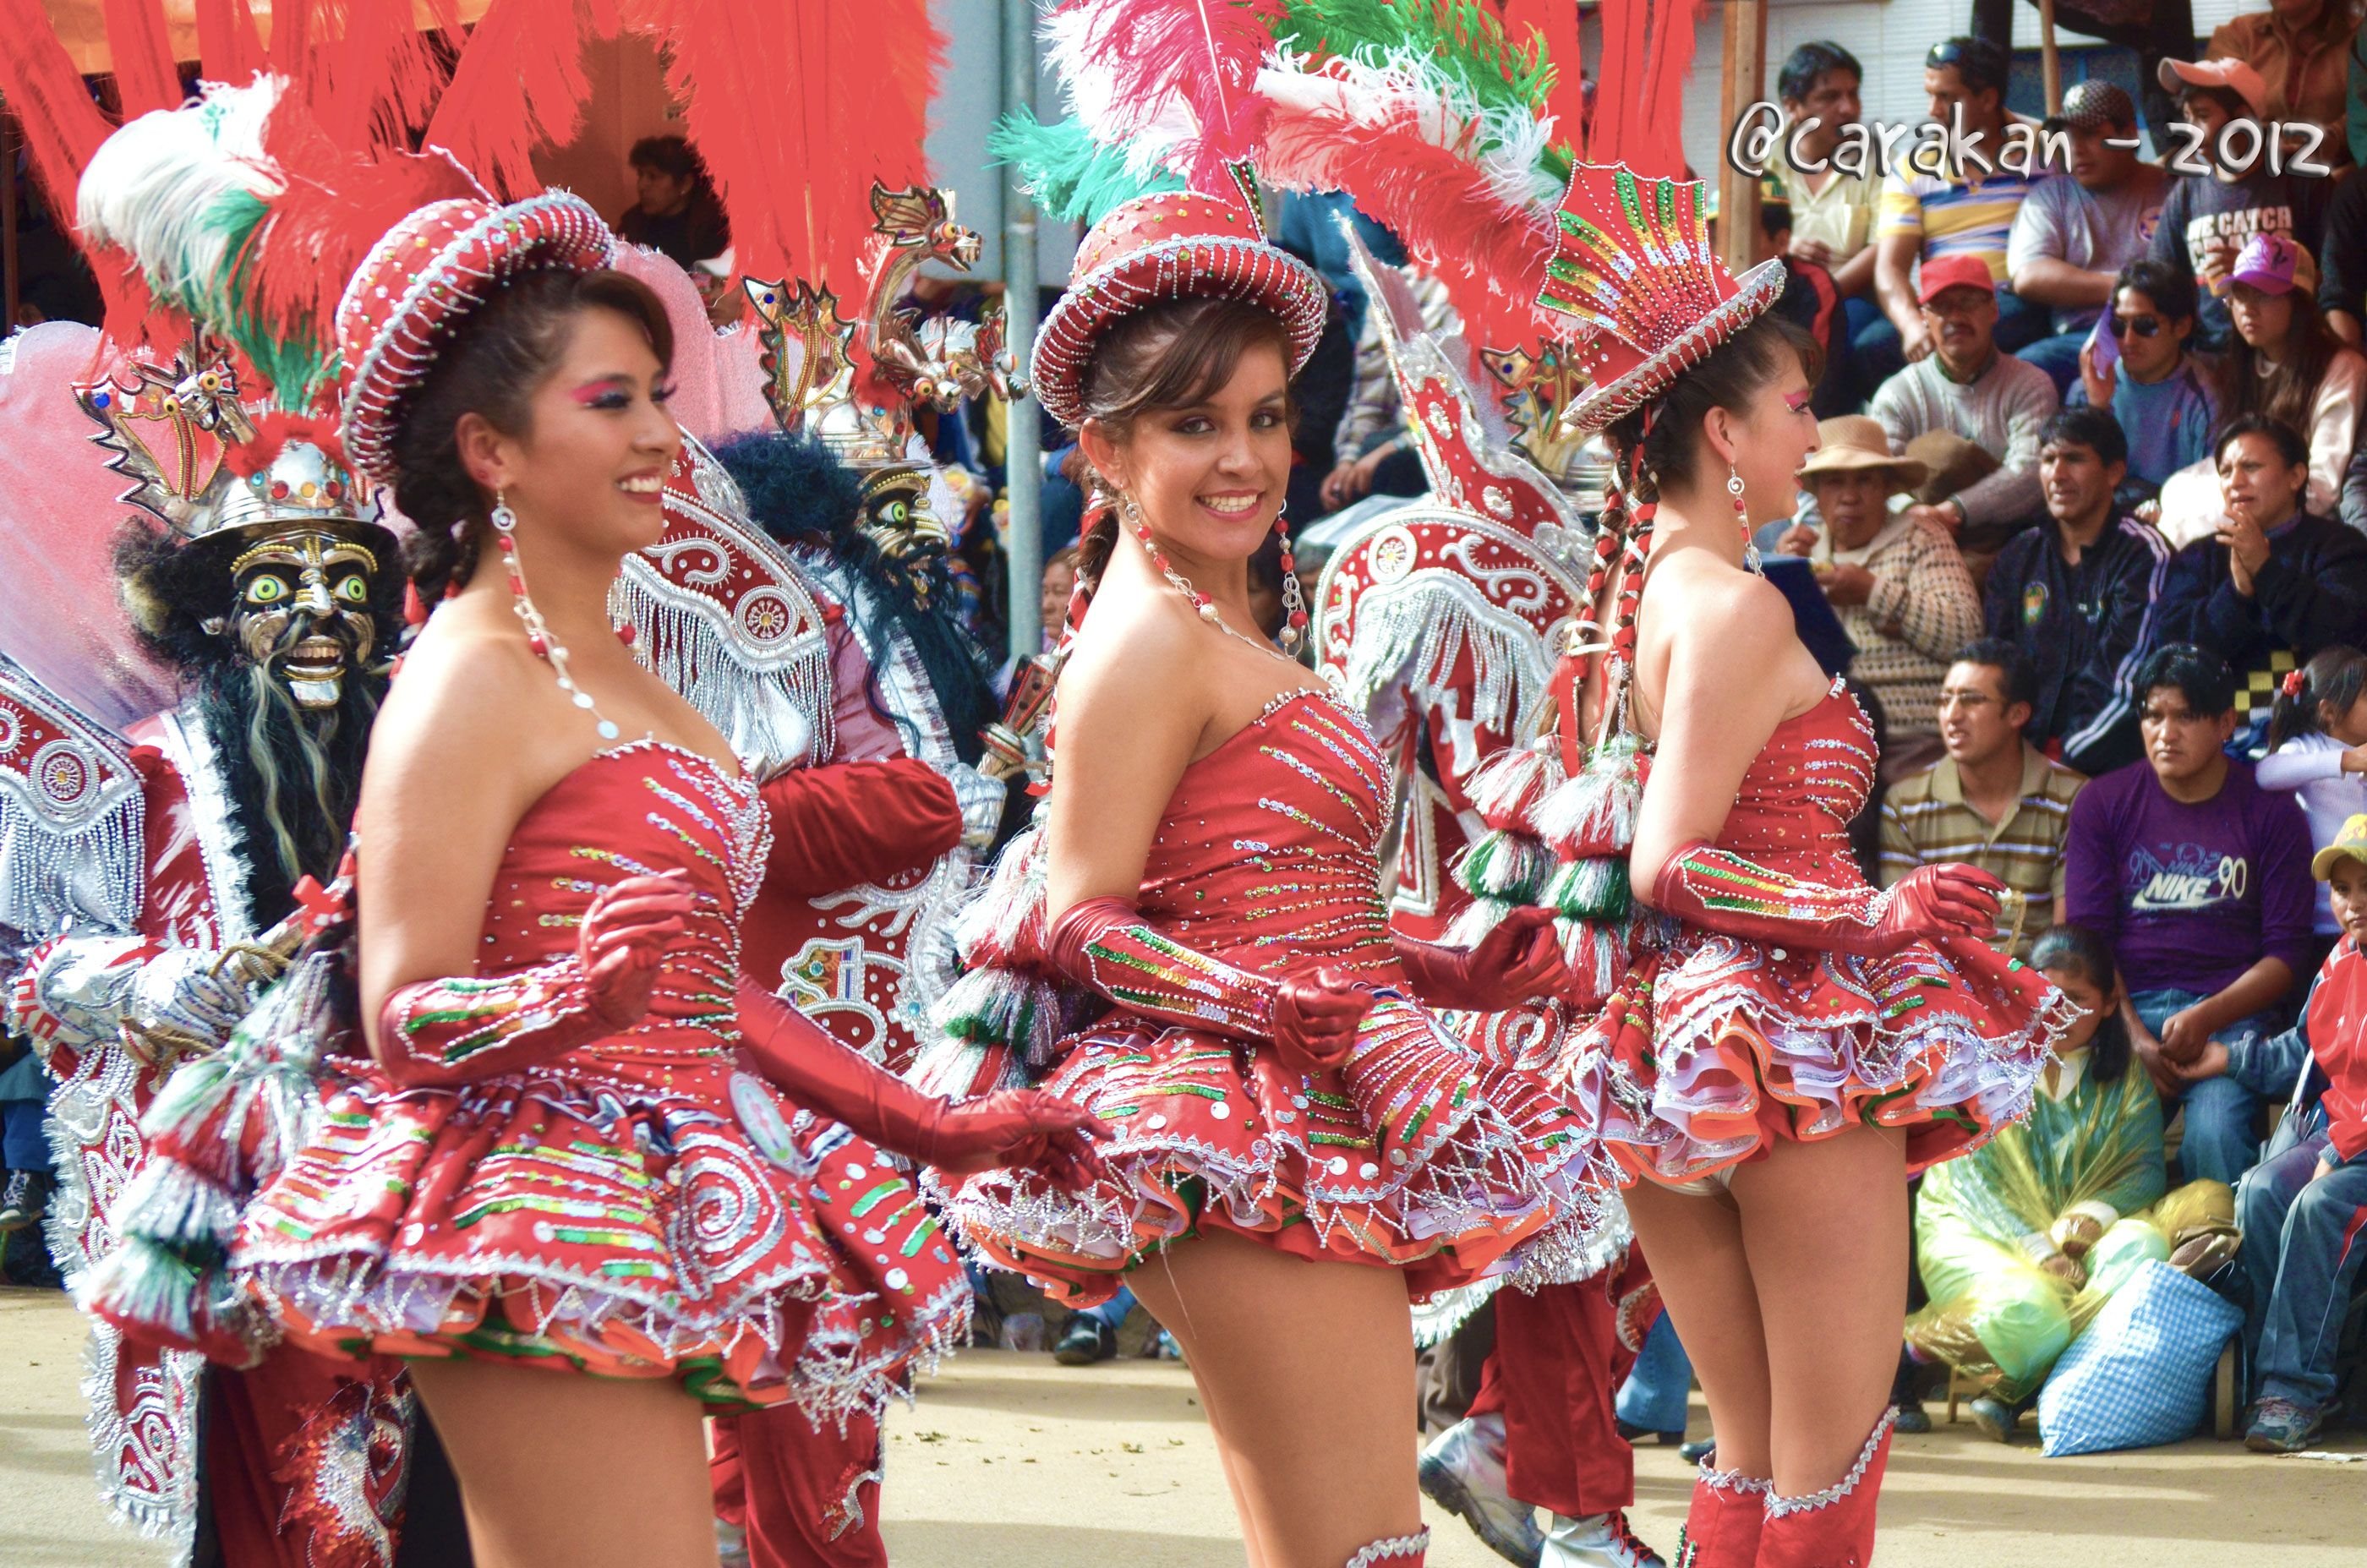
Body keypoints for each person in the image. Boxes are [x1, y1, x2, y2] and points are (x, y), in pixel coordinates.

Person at [90, 183, 1104, 1567]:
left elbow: (694, 994)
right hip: (526, 1202)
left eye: (659, 400)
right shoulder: (469, 680)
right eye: (612, 402)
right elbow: (404, 1016)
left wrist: (921, 1122)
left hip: (665, 1175)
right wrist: (572, 994)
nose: (659, 438)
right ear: (490, 449)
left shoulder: (627, 668)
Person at [928, 189, 1621, 1568]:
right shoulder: (1147, 647)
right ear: (1105, 451)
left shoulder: (1203, 621)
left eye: (1262, 418)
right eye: (1196, 425)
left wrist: (1442, 967)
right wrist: (1252, 1003)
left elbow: (1281, 898)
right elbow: (1082, 928)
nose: (1246, 459)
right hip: (1225, 1123)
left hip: (1304, 1096)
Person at [1520, 161, 2062, 1564]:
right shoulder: (1746, 608)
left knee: (1753, 1454)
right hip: (1786, 1033)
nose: (1810, 429)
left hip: (1674, 1046)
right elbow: (1668, 858)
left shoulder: (1648, 600)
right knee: (1829, 1466)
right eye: (1794, 406)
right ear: (1721, 430)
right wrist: (1868, 908)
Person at [1905, 925, 2240, 1440]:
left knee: (2145, 1246)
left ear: (2110, 1005)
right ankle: (1928, 1346)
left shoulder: (2125, 1076)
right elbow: (1978, 1188)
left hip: (2078, 1239)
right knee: (2031, 1309)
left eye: (2077, 1000)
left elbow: (2143, 1170)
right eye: (2044, 994)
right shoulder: (1985, 1067)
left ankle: (2018, 1384)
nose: (2057, 1012)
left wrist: (2092, 1217)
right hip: (1977, 1230)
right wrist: (2044, 1252)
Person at [2063, 643, 2316, 1184]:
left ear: (2226, 723)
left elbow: (2287, 954)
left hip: (2230, 1021)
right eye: (2153, 715)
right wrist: (2131, 1033)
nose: (2165, 732)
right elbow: (2088, 944)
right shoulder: (2101, 803)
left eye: (2185, 716)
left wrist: (2208, 1017)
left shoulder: (2272, 812)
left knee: (2216, 1138)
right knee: (2095, 1156)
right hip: (2123, 1011)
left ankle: (2225, 1272)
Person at [2234, 811, 2367, 1451]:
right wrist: (2228, 1056)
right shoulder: (2340, 959)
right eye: (2343, 888)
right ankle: (2272, 1374)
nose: (2354, 901)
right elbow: (2309, 1054)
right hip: (2342, 1128)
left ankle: (2297, 1389)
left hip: (2356, 1144)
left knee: (2321, 1204)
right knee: (2261, 1190)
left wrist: (2339, 1150)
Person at [1775, 415, 1982, 777]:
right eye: (1835, 482)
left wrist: (1873, 591)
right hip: (1826, 740)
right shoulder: (1802, 554)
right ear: (1817, 493)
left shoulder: (1922, 537)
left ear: (1887, 488)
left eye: (1865, 480)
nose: (1850, 496)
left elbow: (1965, 636)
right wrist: (1780, 579)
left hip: (1910, 740)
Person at [1982, 407, 2173, 776]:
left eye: (2074, 459)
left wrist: (2059, 760)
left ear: (2114, 473)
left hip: (2111, 765)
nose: (2058, 474)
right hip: (2021, 758)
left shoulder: (2144, 554)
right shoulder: (2019, 555)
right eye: (2048, 459)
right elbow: (1997, 665)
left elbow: (2126, 682)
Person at [1880, 642, 2088, 959]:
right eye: (1945, 700)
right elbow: (1901, 928)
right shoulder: (1906, 803)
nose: (1952, 715)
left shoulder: (2072, 797)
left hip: (2037, 986)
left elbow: (2066, 943)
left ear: (2018, 713)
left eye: (1971, 700)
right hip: (1942, 988)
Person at [1866, 37, 2047, 391]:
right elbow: (1889, 267)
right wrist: (1911, 325)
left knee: (1975, 334)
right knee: (1870, 346)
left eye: (1948, 97)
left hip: (2012, 301)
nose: (1933, 110)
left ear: (1988, 99)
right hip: (1940, 304)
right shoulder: (1912, 169)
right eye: (1931, 95)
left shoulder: (2046, 149)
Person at [2158, 233, 2364, 546]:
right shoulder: (2242, 365)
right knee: (2174, 491)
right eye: (2239, 294)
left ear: (2301, 303)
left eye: (2265, 294)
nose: (2247, 309)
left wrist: (2231, 515)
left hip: (2299, 523)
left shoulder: (2342, 367)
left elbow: (2321, 486)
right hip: (2253, 503)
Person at [2158, 415, 2367, 697]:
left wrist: (2266, 571)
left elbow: (2344, 638)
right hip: (2221, 735)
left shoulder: (2340, 547)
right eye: (2226, 471)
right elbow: (2174, 659)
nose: (2235, 482)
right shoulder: (2198, 556)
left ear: (2296, 476)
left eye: (2251, 467)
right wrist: (2237, 593)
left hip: (2319, 729)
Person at [1868, 255, 2058, 555]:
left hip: (2012, 542)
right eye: (1942, 307)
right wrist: (1913, 513)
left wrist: (1955, 510)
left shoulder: (2030, 384)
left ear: (1994, 310)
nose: (1956, 317)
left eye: (1968, 303)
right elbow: (1877, 475)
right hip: (1914, 541)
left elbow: (2032, 471)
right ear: (1924, 317)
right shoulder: (1897, 393)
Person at [2147, 58, 2331, 352]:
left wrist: (2256, 271)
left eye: (2203, 115)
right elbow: (2158, 279)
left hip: (2292, 353)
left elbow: (2337, 277)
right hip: (2211, 357)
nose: (2191, 130)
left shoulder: (2302, 180)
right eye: (2187, 117)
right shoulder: (2186, 192)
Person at [2005, 82, 2169, 397]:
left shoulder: (2174, 189)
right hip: (2078, 337)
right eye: (2069, 136)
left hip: (2160, 333)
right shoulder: (2052, 195)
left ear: (2129, 133)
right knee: (2023, 375)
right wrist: (2129, 288)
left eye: (2091, 134)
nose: (2076, 148)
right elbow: (2029, 275)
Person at [1768, 42, 1882, 409]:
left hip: (1853, 299)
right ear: (1792, 106)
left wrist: (1827, 292)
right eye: (1830, 97)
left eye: (1853, 94)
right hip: (1778, 300)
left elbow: (1885, 245)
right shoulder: (1761, 163)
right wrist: (1786, 246)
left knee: (1843, 341)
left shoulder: (1875, 161)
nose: (1848, 108)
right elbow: (1734, 236)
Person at [2068, 259, 2217, 500]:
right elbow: (2072, 485)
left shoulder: (2206, 398)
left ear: (2182, 327)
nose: (2128, 340)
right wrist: (2098, 409)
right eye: (2119, 324)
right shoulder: (2087, 389)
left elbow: (2211, 495)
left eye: (2145, 325)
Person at [2259, 646, 2367, 952]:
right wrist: (2346, 761)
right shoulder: (2309, 749)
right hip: (2326, 923)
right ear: (2330, 712)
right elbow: (2267, 773)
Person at [2202, 0, 2355, 165]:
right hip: (2252, 169)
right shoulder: (2238, 34)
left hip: (2336, 172)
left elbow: (2361, 118)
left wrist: (2328, 143)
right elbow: (2212, 110)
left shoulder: (2359, 36)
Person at [617, 134, 730, 269]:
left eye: (653, 177)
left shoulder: (713, 226)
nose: (642, 185)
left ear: (685, 184)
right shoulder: (632, 223)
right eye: (641, 175)